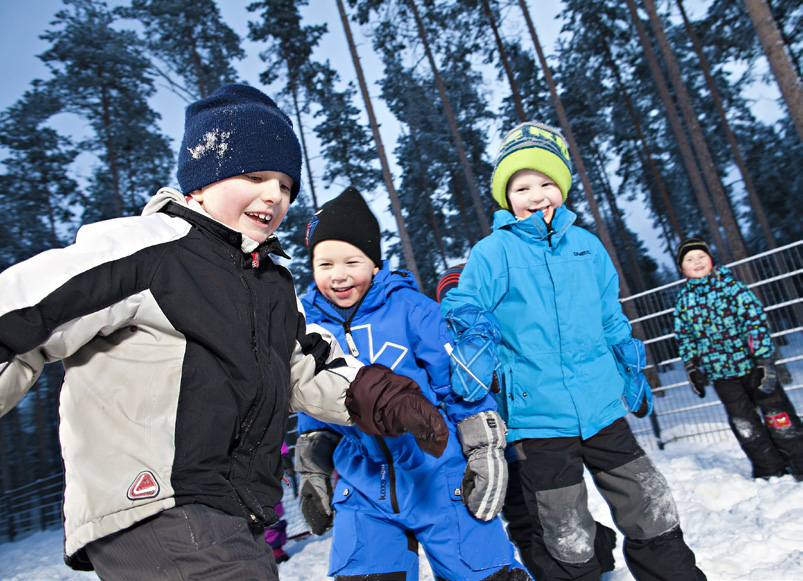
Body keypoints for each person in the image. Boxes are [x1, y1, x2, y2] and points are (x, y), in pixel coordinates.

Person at [0, 84, 448, 580]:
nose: (273, 195)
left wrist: (387, 397)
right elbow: (22, 309)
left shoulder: (270, 284)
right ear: (202, 181)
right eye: (255, 175)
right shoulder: (150, 251)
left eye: (285, 184)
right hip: (156, 501)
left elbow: (306, 365)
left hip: (231, 509)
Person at [440, 122, 706, 581]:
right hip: (537, 417)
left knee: (649, 501)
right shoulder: (493, 252)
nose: (536, 194)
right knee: (566, 529)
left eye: (547, 183)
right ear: (507, 196)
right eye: (522, 186)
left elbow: (609, 315)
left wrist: (626, 363)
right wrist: (473, 332)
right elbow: (464, 301)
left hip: (601, 406)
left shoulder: (587, 246)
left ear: (562, 187)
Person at [294, 186, 530, 580]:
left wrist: (484, 448)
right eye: (324, 264)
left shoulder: (411, 308)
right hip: (362, 484)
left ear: (374, 262)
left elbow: (458, 383)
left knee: (485, 573)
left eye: (352, 261)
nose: (338, 276)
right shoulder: (308, 326)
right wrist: (313, 470)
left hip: (439, 474)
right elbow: (310, 401)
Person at [435, 265, 618, 578]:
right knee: (521, 519)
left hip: (526, 438)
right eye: (449, 299)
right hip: (489, 450)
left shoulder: (507, 329)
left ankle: (597, 544)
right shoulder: (444, 346)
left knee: (548, 511)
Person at [673, 237, 803, 481]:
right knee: (744, 425)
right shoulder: (683, 303)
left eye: (701, 256)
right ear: (682, 269)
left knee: (778, 416)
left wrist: (763, 360)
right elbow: (685, 337)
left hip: (753, 366)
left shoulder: (733, 289)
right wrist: (692, 367)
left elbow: (755, 322)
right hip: (722, 376)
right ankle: (769, 469)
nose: (697, 262)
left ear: (711, 259)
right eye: (689, 260)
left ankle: (800, 461)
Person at [264, 442, 293, 564]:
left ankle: (275, 548)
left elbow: (274, 430)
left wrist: (282, 455)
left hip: (264, 470)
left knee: (271, 510)